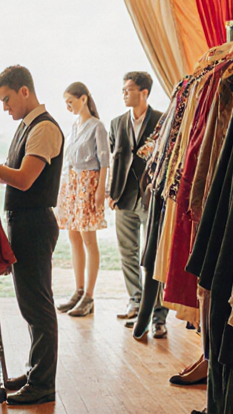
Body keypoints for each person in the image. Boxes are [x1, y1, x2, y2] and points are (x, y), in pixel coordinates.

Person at [0, 65, 62, 406]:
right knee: (29, 304)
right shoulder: (26, 127)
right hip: (23, 221)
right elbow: (9, 177)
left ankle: (43, 385)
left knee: (38, 304)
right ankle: (37, 371)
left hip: (35, 223)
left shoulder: (45, 129)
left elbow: (23, 180)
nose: (5, 107)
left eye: (7, 99)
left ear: (25, 91)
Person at [108, 71, 167, 338]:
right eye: (122, 89)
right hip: (123, 197)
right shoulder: (117, 123)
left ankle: (157, 315)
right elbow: (116, 159)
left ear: (144, 92)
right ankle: (135, 300)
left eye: (129, 89)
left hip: (149, 197)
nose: (124, 93)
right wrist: (111, 193)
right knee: (127, 254)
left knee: (152, 257)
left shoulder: (162, 120)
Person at [55, 82, 109, 318]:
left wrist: (100, 190)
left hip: (89, 183)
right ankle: (77, 291)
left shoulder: (97, 126)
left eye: (71, 102)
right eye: (66, 103)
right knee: (73, 238)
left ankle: (89, 296)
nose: (68, 107)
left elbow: (105, 160)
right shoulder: (74, 127)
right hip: (72, 184)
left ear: (84, 98)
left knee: (89, 240)